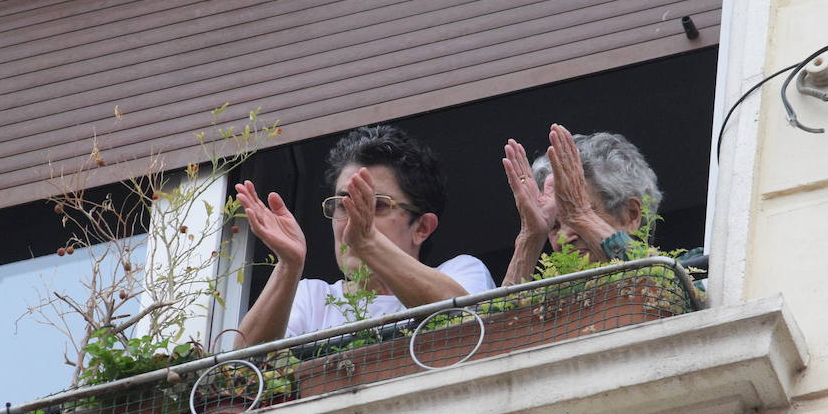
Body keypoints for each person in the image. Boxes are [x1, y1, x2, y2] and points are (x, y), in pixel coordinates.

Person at [236, 125, 495, 344]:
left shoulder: (461, 271)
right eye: (342, 204)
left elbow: (468, 323)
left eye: (376, 205)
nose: (352, 222)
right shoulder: (312, 297)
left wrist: (367, 242)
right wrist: (288, 266)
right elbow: (241, 373)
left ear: (421, 228)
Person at [500, 124, 662, 286]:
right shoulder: (550, 305)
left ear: (631, 214)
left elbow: (654, 284)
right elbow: (497, 312)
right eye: (554, 226)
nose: (566, 237)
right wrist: (529, 239)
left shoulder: (681, 276)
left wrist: (579, 215)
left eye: (579, 207)